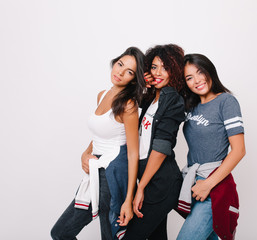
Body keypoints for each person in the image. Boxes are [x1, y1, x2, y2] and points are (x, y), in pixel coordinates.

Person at [51, 47, 145, 240]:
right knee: (61, 232)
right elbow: (100, 135)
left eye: (129, 72)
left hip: (114, 172)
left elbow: (133, 153)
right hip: (95, 168)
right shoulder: (102, 95)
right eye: (120, 64)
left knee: (108, 235)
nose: (119, 72)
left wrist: (128, 199)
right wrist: (85, 154)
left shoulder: (128, 104)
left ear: (134, 79)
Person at [176, 54, 246, 240]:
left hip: (213, 186)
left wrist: (207, 184)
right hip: (194, 185)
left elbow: (239, 151)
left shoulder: (226, 102)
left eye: (200, 72)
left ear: (209, 71)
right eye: (189, 78)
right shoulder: (191, 106)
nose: (197, 80)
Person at [123, 44, 185, 240]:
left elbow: (161, 148)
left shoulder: (172, 99)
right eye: (154, 67)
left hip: (162, 183)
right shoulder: (149, 98)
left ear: (174, 71)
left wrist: (140, 188)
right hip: (148, 178)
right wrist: (140, 84)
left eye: (165, 68)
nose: (158, 73)